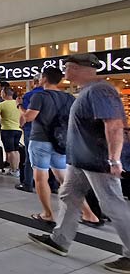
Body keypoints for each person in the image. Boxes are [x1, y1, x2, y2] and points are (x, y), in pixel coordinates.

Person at [28, 53, 130, 273]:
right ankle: (60, 240)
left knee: (112, 203)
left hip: (97, 160)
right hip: (80, 160)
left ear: (75, 68)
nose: (64, 72)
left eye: (67, 67)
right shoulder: (85, 92)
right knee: (69, 196)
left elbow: (113, 125)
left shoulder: (100, 90)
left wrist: (114, 158)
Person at [23, 67, 99, 227]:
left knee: (40, 177)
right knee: (65, 179)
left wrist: (20, 109)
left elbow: (29, 117)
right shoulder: (68, 98)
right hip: (61, 142)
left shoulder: (39, 95)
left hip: (40, 141)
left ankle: (48, 214)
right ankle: (89, 214)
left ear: (44, 79)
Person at [16, 73, 44, 193]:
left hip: (32, 130)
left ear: (35, 82)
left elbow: (26, 115)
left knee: (30, 157)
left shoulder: (30, 95)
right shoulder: (58, 95)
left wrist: (19, 105)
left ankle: (28, 183)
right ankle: (53, 185)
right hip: (51, 131)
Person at [0, 87, 21, 177]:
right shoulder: (17, 103)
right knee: (16, 150)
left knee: (10, 151)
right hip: (18, 129)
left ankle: (14, 170)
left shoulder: (2, 105)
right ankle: (16, 168)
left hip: (7, 130)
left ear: (4, 94)